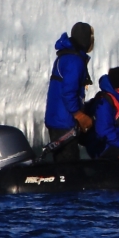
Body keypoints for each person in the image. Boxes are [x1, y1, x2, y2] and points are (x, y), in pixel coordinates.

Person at [43, 22, 95, 162]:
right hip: (63, 122)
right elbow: (69, 92)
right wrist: (78, 114)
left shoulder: (67, 56)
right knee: (68, 166)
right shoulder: (74, 60)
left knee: (64, 162)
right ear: (85, 39)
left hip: (59, 119)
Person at [90, 67, 119, 158]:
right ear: (118, 87)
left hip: (118, 141)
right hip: (105, 147)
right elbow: (104, 131)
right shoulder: (104, 103)